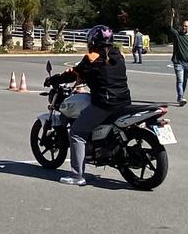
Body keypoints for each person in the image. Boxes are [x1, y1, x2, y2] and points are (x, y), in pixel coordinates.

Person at [48, 23, 132, 186]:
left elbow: (73, 74)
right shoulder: (118, 54)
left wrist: (53, 79)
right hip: (124, 101)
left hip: (105, 103)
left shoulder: (92, 57)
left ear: (92, 40)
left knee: (77, 132)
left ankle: (77, 176)